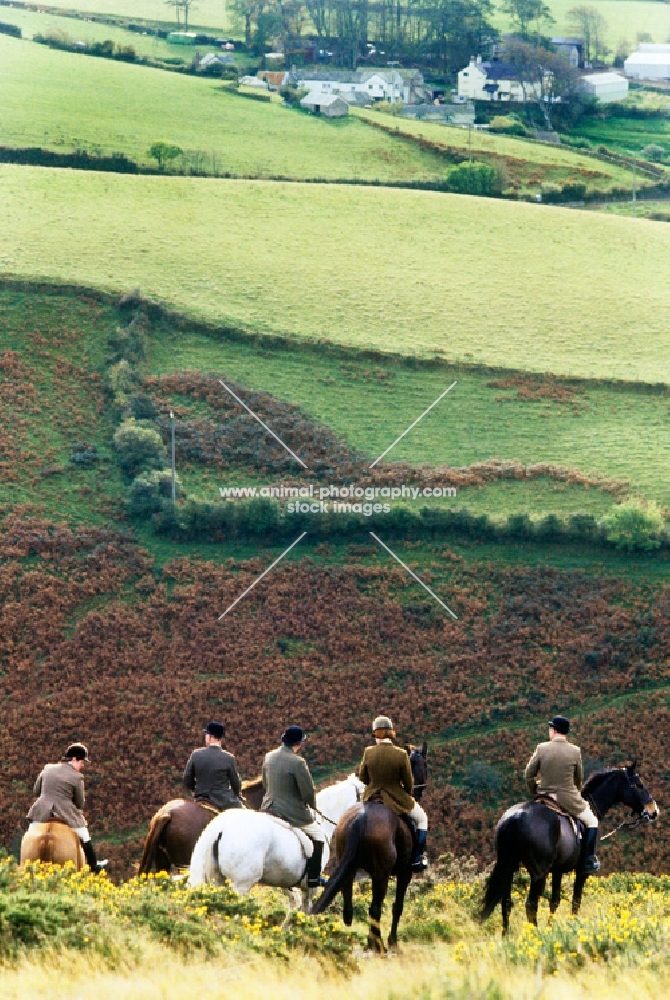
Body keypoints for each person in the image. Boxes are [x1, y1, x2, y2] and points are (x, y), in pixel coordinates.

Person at [525, 715, 600, 874]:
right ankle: (587, 860)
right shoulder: (575, 751)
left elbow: (528, 775)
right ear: (565, 732)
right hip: (568, 798)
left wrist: (536, 791)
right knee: (592, 821)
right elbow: (578, 779)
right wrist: (575, 794)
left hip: (544, 796)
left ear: (553, 730)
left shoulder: (541, 748)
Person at [359, 715, 429, 873]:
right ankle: (418, 857)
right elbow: (409, 783)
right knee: (422, 819)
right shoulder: (401, 754)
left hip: (371, 795)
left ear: (376, 734)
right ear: (390, 733)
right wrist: (405, 792)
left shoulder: (368, 752)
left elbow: (363, 778)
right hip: (396, 796)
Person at [260, 725, 326, 888]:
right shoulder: (297, 762)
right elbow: (307, 792)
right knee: (319, 837)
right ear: (298, 744)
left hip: (268, 807)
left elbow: (264, 783)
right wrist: (313, 806)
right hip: (290, 812)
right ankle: (313, 878)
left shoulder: (269, 756)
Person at [27, 743, 108, 874]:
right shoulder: (77, 777)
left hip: (41, 812)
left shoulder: (47, 769)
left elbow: (36, 791)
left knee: (29, 835)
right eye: (82, 762)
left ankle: (22, 864)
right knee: (84, 834)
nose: (83, 765)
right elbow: (80, 803)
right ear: (74, 759)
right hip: (66, 813)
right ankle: (94, 866)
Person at [182, 721, 243, 812]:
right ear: (220, 738)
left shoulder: (196, 755)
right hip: (223, 801)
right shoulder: (229, 758)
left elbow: (186, 779)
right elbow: (236, 782)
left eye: (206, 734)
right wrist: (238, 795)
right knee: (245, 813)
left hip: (201, 798)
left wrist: (196, 789)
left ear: (209, 736)